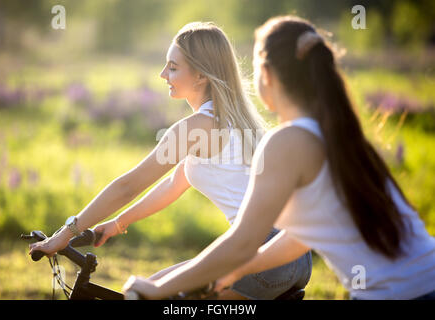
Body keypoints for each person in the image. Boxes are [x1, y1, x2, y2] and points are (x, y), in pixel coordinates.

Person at [122, 16, 435, 300]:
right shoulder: (335, 134)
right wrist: (240, 269)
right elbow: (299, 237)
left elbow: (243, 241)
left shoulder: (286, 141)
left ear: (267, 75)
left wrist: (158, 288)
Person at [28, 21, 312, 300]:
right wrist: (118, 223)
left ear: (201, 75)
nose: (163, 74)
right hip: (293, 254)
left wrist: (65, 234)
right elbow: (174, 184)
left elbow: (128, 186)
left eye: (173, 67)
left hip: (261, 254)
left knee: (147, 294)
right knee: (150, 287)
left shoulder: (196, 127)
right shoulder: (235, 120)